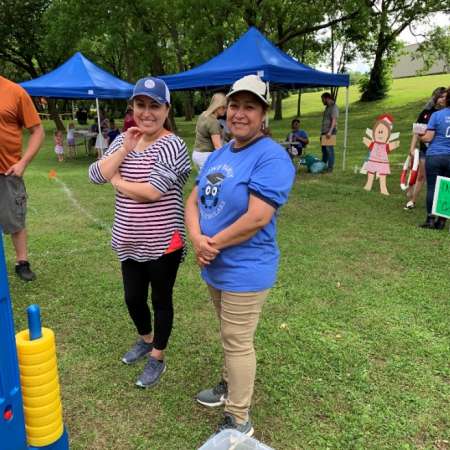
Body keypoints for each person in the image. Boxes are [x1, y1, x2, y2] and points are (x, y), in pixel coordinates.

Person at [185, 75, 295, 436]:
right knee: (228, 332)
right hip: (215, 262)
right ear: (225, 110)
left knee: (236, 339)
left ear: (263, 114)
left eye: (250, 107)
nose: (240, 113)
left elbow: (257, 217)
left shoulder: (271, 157)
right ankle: (228, 384)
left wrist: (210, 243)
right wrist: (198, 236)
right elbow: (194, 198)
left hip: (246, 268)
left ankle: (239, 417)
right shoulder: (221, 151)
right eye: (235, 106)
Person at [88, 77, 191, 388]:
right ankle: (146, 339)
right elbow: (95, 175)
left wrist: (117, 182)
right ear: (132, 107)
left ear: (166, 109)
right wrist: (124, 150)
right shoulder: (123, 139)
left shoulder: (174, 145)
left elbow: (151, 192)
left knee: (161, 299)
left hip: (163, 242)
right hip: (129, 239)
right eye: (141, 105)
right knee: (133, 298)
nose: (147, 113)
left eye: (154, 106)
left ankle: (157, 357)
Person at [0, 75, 45, 281]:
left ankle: (22, 262)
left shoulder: (14, 91)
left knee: (15, 220)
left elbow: (37, 131)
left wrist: (23, 163)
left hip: (7, 172)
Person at [404, 87, 447, 210]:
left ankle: (441, 206)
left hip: (442, 151)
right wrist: (412, 149)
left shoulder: (447, 113)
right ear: (435, 98)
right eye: (441, 96)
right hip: (425, 150)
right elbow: (417, 132)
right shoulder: (426, 113)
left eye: (445, 97)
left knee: (442, 178)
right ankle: (412, 200)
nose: (443, 99)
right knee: (422, 176)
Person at [419, 86, 450, 229]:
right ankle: (442, 221)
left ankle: (430, 219)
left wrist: (421, 134)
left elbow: (428, 138)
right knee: (446, 187)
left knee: (432, 186)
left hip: (435, 155)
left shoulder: (437, 115)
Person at [192, 93, 227, 171]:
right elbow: (217, 146)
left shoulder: (203, 114)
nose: (225, 110)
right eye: (224, 107)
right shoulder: (213, 122)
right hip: (205, 156)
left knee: (203, 181)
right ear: (217, 107)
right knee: (214, 181)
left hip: (196, 154)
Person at [320, 92, 339, 172]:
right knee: (324, 150)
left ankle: (330, 168)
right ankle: (323, 165)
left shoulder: (334, 107)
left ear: (327, 98)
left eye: (323, 99)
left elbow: (334, 121)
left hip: (330, 131)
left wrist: (330, 132)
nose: (322, 101)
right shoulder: (327, 107)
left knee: (329, 150)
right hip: (324, 131)